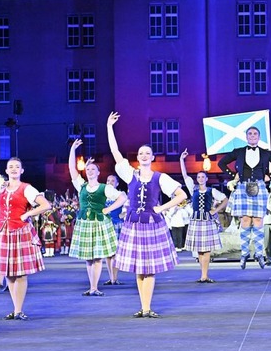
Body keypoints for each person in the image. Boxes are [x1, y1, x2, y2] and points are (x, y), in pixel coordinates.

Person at [107, 112, 187, 318]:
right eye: (140, 153)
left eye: (147, 153)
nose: (143, 155)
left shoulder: (160, 177)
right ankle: (143, 307)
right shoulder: (130, 174)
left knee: (149, 267)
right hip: (133, 224)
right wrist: (109, 127)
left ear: (152, 157)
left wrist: (162, 208)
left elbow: (181, 195)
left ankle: (147, 307)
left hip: (152, 224)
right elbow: (115, 152)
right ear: (137, 157)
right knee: (138, 268)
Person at [0, 127, 51, 321]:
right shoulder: (0, 185)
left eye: (17, 166)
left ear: (22, 170)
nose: (14, 169)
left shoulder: (27, 188)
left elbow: (45, 205)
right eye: (11, 166)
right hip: (3, 232)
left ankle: (19, 309)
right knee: (8, 272)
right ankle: (15, 308)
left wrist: (28, 214)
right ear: (7, 170)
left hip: (20, 232)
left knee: (21, 273)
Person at [217, 126, 271, 269]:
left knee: (259, 220)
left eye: (255, 133)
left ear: (259, 137)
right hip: (243, 186)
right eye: (250, 133)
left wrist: (270, 176)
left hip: (259, 187)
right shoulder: (239, 152)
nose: (253, 135)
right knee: (245, 220)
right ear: (246, 136)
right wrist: (233, 175)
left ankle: (259, 253)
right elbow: (221, 163)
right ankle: (245, 253)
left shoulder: (265, 153)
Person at [67, 139, 127, 297]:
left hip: (100, 223)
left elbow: (122, 197)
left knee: (98, 256)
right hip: (85, 223)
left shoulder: (104, 188)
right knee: (88, 257)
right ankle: (92, 286)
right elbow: (72, 169)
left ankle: (95, 287)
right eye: (88, 169)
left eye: (93, 169)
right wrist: (73, 149)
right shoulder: (81, 185)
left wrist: (108, 208)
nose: (90, 171)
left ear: (99, 173)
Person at [180, 149, 228, 283]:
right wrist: (181, 160)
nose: (200, 179)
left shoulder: (212, 191)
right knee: (199, 251)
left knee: (206, 250)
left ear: (206, 179)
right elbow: (184, 175)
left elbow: (225, 199)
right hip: (196, 221)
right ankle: (203, 274)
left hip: (207, 221)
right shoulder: (193, 189)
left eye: (203, 177)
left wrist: (215, 210)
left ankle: (204, 275)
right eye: (199, 177)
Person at [104, 174, 125, 285]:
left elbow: (129, 208)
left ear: (117, 183)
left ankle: (114, 278)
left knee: (115, 253)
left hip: (116, 225)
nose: (110, 182)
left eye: (112, 181)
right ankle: (111, 277)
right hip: (105, 225)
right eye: (108, 180)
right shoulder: (102, 195)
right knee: (108, 253)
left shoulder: (121, 195)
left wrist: (123, 215)